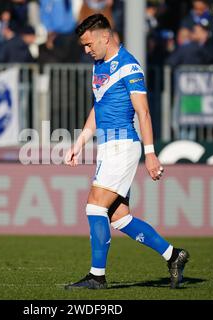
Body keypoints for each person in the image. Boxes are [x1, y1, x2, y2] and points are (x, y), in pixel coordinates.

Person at [64, 14, 189, 290]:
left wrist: (151, 153)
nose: (86, 50)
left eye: (88, 44)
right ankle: (173, 255)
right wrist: (79, 142)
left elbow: (143, 112)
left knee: (95, 205)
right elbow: (99, 107)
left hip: (123, 145)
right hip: (108, 145)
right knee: (120, 218)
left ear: (104, 37)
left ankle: (97, 276)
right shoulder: (98, 65)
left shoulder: (129, 66)